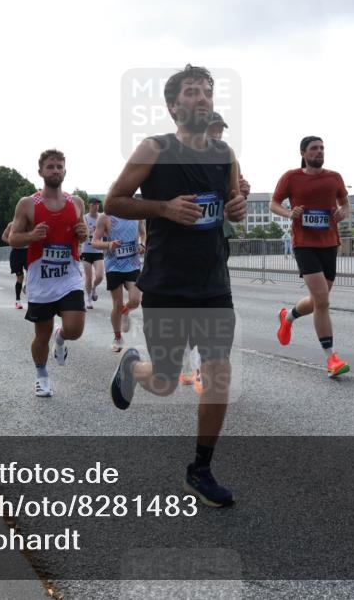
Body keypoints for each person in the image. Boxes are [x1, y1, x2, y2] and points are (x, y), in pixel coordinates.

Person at [105, 64, 246, 507]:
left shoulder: (225, 153)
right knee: (166, 382)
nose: (202, 97)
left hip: (213, 282)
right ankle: (133, 368)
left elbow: (232, 203)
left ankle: (200, 470)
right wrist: (164, 208)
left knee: (217, 374)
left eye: (207, 90)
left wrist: (237, 206)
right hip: (166, 282)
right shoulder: (154, 149)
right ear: (172, 105)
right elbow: (114, 201)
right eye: (191, 91)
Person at [8, 149, 88, 397]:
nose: (55, 170)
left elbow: (81, 233)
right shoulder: (28, 204)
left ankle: (61, 338)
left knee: (75, 329)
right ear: (41, 172)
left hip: (68, 276)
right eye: (51, 166)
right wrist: (31, 236)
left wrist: (83, 234)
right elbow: (13, 238)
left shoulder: (76, 202)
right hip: (41, 279)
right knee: (41, 335)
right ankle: (42, 375)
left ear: (65, 171)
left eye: (59, 166)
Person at [271, 135, 350, 378]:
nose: (319, 152)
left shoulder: (334, 177)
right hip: (304, 244)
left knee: (319, 300)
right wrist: (289, 212)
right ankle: (331, 358)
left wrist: (342, 213)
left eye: (322, 148)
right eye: (314, 148)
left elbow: (345, 203)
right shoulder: (291, 177)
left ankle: (288, 317)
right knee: (323, 301)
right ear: (303, 153)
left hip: (329, 243)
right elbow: (273, 203)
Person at [91, 212, 145, 352]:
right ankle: (118, 337)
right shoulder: (105, 217)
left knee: (135, 300)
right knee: (117, 303)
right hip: (113, 265)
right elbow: (94, 242)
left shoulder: (136, 214)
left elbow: (143, 233)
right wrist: (109, 244)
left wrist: (142, 244)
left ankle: (125, 312)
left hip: (132, 264)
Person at [79, 198, 105, 309]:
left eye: (98, 204)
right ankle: (88, 298)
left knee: (99, 276)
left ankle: (94, 288)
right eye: (94, 204)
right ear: (89, 205)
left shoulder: (101, 217)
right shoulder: (85, 218)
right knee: (88, 277)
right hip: (87, 251)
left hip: (98, 250)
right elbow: (82, 233)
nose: (96, 206)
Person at [3, 222, 28, 309]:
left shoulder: (29, 224)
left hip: (28, 251)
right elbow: (3, 237)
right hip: (16, 253)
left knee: (32, 273)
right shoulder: (11, 225)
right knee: (20, 277)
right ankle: (18, 301)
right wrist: (12, 242)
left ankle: (27, 286)